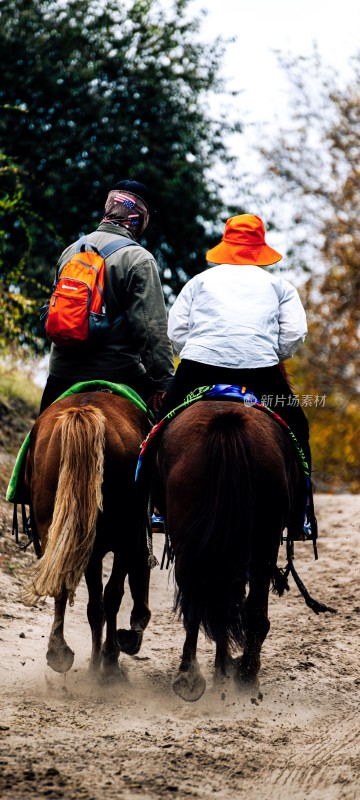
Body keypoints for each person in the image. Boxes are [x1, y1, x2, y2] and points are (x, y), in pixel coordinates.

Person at [160, 213, 316, 536]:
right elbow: (295, 334)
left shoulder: (199, 282)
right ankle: (301, 516)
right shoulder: (279, 286)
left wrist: (200, 349)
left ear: (226, 245)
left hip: (197, 368)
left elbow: (175, 330)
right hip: (259, 372)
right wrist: (270, 353)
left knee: (159, 428)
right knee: (298, 427)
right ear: (260, 248)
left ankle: (157, 508)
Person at [40, 179, 174, 414]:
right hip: (119, 372)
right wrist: (163, 384)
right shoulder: (138, 258)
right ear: (140, 218)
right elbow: (151, 331)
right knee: (160, 440)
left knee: (35, 442)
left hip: (62, 372)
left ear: (108, 207)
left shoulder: (71, 250)